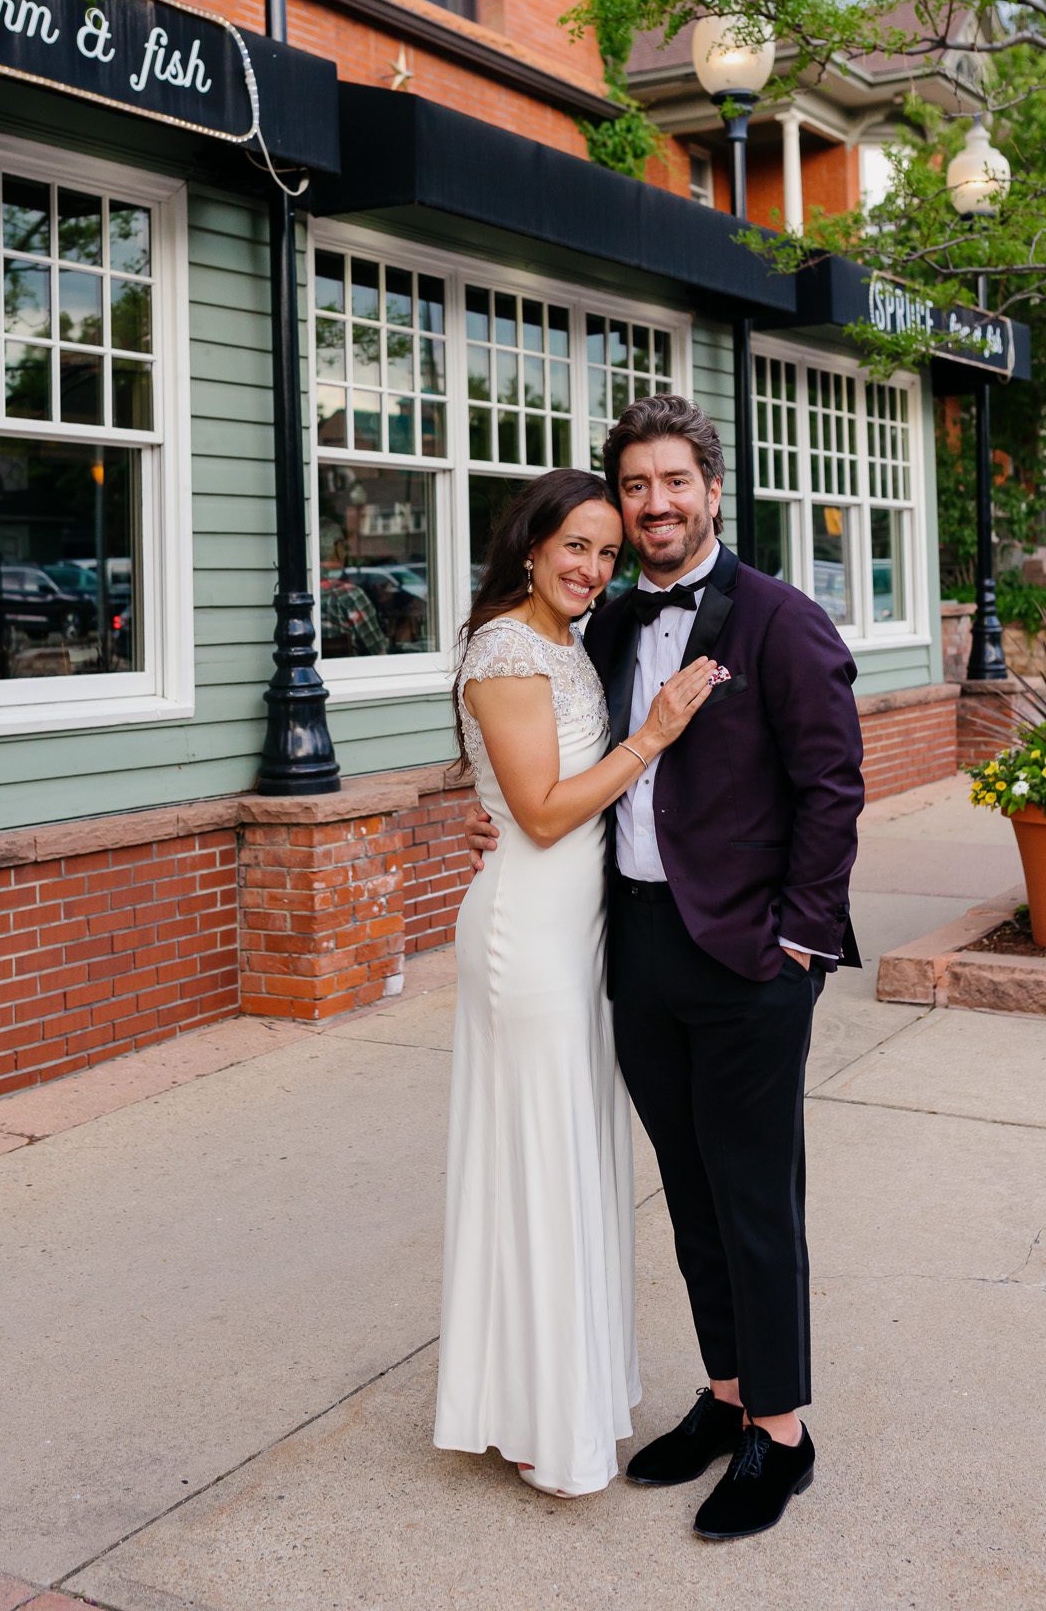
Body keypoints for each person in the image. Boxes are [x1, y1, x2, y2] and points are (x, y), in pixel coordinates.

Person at [463, 396, 863, 1541]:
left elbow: (832, 788)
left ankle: (780, 1432)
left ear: (712, 488)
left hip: (747, 956)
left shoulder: (780, 620)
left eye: (672, 481)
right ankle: (726, 1393)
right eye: (633, 486)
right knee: (687, 1192)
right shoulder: (602, 620)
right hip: (630, 946)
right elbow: (539, 754)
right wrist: (481, 820)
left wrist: (800, 937)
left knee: (753, 1194)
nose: (652, 505)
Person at [434, 466, 717, 1499]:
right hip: (528, 935)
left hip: (580, 929)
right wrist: (652, 736)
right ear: (529, 545)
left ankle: (555, 1393)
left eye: (606, 550)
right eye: (576, 548)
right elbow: (545, 811)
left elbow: (515, 794)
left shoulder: (564, 638)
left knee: (567, 1159)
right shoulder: (506, 644)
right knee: (536, 1164)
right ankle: (532, 1417)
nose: (594, 568)